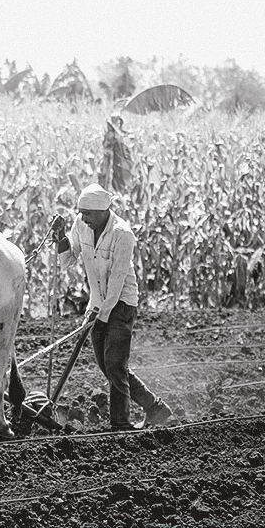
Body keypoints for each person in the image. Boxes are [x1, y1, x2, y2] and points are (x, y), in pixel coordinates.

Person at [52, 184, 173, 431]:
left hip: (122, 303)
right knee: (108, 366)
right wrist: (62, 238)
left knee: (115, 365)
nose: (83, 219)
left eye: (87, 214)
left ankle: (121, 425)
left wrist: (103, 317)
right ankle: (156, 408)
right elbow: (68, 261)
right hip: (98, 304)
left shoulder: (122, 234)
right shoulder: (80, 225)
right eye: (81, 213)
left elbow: (117, 283)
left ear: (102, 211)